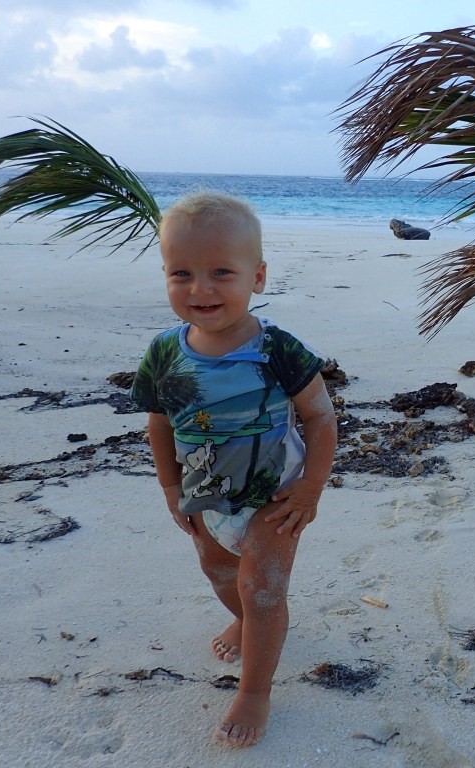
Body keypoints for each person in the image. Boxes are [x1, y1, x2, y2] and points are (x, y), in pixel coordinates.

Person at [130, 193, 337, 748]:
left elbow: (320, 417)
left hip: (274, 499)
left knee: (261, 589)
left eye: (221, 272)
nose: (201, 288)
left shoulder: (278, 349)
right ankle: (243, 621)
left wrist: (311, 488)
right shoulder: (164, 353)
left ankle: (255, 691)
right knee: (220, 573)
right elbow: (159, 424)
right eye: (182, 273)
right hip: (204, 495)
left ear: (258, 277)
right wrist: (170, 486)